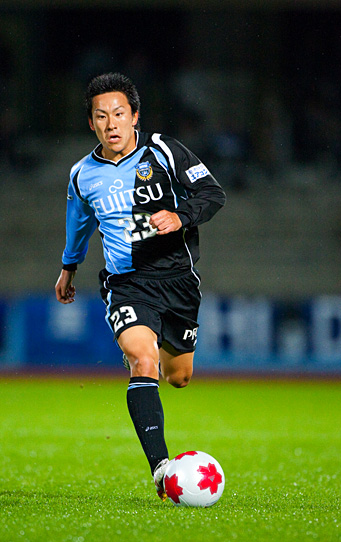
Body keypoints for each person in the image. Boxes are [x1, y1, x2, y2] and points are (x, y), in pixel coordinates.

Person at [55, 72, 226, 500]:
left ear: (134, 116)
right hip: (126, 283)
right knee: (141, 360)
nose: (110, 124)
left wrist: (180, 217)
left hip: (178, 282)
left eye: (118, 114)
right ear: (91, 123)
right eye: (101, 116)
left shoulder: (164, 150)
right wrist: (68, 267)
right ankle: (161, 468)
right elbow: (79, 223)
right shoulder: (82, 174)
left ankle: (153, 356)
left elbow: (212, 194)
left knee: (179, 377)